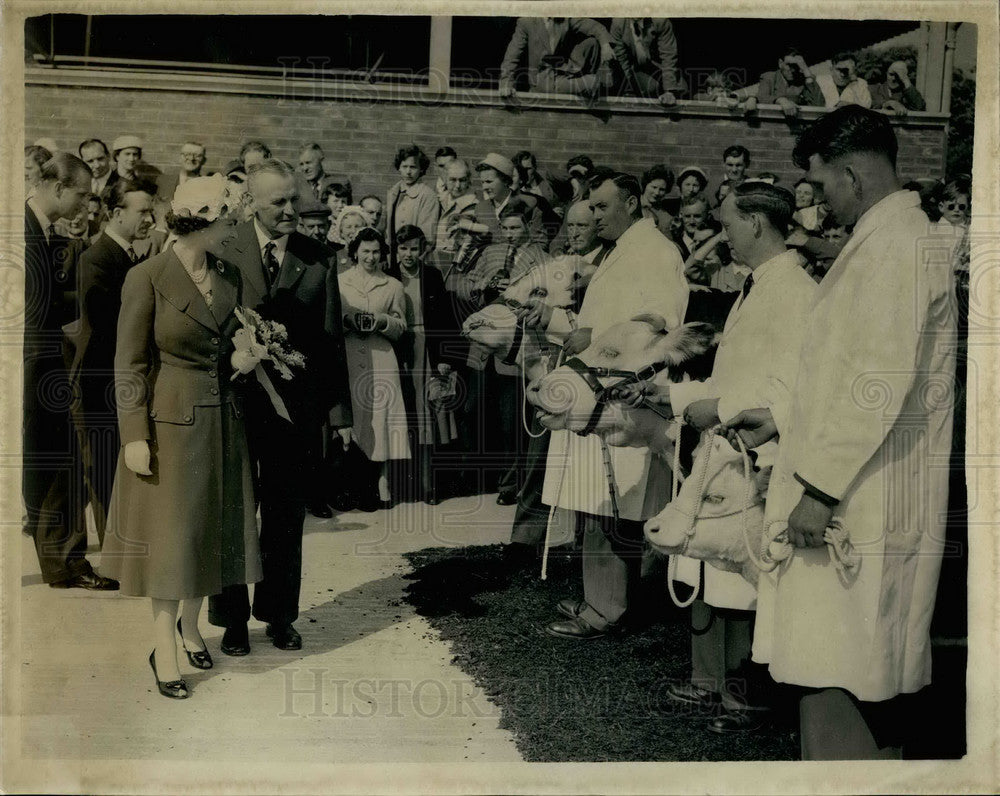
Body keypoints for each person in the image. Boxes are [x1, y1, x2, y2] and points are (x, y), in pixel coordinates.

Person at [722, 105, 956, 759]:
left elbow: (875, 384)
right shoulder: (884, 242)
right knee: (833, 662)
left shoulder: (899, 245)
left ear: (852, 173)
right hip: (852, 484)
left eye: (820, 187)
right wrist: (782, 419)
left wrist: (820, 491)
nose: (816, 205)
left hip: (860, 497)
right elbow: (845, 372)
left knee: (837, 663)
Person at [645, 182, 818, 733]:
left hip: (756, 449)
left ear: (756, 223)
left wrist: (719, 407)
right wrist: (677, 399)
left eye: (727, 223)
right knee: (712, 562)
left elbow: (789, 383)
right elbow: (735, 372)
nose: (722, 235)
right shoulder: (759, 285)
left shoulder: (792, 290)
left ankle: (747, 695)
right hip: (728, 441)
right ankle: (716, 683)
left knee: (744, 570)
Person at [100, 175, 260, 699]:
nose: (234, 229)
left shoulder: (230, 275)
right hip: (170, 427)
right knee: (173, 544)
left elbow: (226, 348)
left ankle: (191, 627)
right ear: (200, 222)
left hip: (224, 424)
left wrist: (241, 360)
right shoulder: (147, 276)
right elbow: (129, 362)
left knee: (213, 534)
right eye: (227, 221)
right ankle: (163, 647)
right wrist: (133, 435)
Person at [208, 159, 353, 655]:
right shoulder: (223, 248)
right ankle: (230, 620)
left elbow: (332, 343)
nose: (291, 209)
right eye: (279, 202)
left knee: (286, 515)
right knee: (233, 513)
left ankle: (280, 615)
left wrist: (339, 416)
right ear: (251, 201)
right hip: (235, 404)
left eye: (294, 199)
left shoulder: (318, 259)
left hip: (295, 412)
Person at [540, 172, 688, 639]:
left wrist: (599, 339)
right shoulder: (619, 250)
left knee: (612, 498)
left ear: (632, 201)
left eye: (603, 207)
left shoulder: (658, 252)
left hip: (623, 393)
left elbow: (659, 321)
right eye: (592, 207)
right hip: (596, 385)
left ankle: (608, 608)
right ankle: (598, 596)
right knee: (595, 496)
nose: (594, 215)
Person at [23, 152, 119, 591]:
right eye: (80, 194)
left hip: (45, 368)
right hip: (29, 369)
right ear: (58, 188)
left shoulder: (48, 233)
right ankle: (64, 561)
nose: (85, 204)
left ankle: (64, 564)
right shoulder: (19, 228)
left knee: (57, 465)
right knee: (45, 466)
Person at [510, 200, 612, 554]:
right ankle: (525, 537)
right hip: (556, 362)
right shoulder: (557, 264)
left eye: (582, 226)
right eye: (569, 226)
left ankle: (581, 541)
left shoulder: (609, 264)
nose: (574, 233)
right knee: (541, 449)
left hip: (595, 372)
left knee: (588, 456)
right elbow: (516, 294)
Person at [66, 179, 156, 544]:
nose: (150, 218)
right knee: (103, 472)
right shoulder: (97, 260)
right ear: (116, 214)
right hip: (99, 386)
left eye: (152, 210)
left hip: (117, 384)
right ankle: (114, 558)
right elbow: (96, 335)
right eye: (142, 212)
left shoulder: (129, 256)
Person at [461, 200, 548, 505]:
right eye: (505, 228)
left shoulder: (541, 259)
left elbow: (544, 299)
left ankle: (512, 485)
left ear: (528, 228)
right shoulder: (489, 253)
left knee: (513, 420)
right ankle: (491, 476)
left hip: (515, 349)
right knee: (475, 411)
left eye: (516, 228)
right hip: (484, 349)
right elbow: (462, 287)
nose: (510, 234)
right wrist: (481, 284)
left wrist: (515, 291)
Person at [339, 228, 411, 509]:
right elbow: (332, 317)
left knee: (380, 420)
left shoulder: (392, 285)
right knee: (354, 423)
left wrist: (382, 321)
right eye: (365, 251)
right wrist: (349, 320)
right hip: (349, 356)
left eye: (376, 252)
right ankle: (351, 487)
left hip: (381, 358)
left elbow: (401, 325)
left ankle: (382, 486)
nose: (371, 257)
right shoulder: (340, 281)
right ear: (355, 251)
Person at [390, 225, 458, 504]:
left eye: (414, 248)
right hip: (397, 351)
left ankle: (429, 486)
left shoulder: (431, 275)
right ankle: (402, 487)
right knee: (400, 417)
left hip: (426, 352)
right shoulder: (389, 275)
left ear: (423, 249)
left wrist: (444, 358)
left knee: (427, 419)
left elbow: (444, 319)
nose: (408, 254)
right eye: (403, 248)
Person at [499, 17, 614, 99]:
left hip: (563, 71)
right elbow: (512, 55)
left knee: (592, 43)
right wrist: (506, 83)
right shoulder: (526, 22)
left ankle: (587, 89)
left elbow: (595, 27)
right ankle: (590, 90)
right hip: (543, 81)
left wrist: (605, 45)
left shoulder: (565, 18)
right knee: (594, 82)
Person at [386, 144, 440, 270]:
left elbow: (427, 238)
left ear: (421, 169)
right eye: (404, 167)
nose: (408, 171)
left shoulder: (427, 195)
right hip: (393, 259)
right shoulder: (393, 193)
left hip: (413, 261)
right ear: (399, 168)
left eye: (413, 167)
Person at [608, 18, 686, 104]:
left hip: (655, 66)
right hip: (634, 69)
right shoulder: (618, 22)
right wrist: (628, 87)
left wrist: (669, 91)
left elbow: (668, 56)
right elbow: (621, 59)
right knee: (651, 87)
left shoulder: (661, 21)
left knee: (682, 88)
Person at [742, 48, 825, 117]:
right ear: (780, 63)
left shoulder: (802, 82)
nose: (793, 70)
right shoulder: (769, 77)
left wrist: (806, 71)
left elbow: (819, 106)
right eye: (789, 65)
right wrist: (781, 100)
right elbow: (762, 97)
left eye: (796, 66)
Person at [329, 205, 372, 271]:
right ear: (341, 232)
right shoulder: (335, 258)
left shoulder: (373, 257)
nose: (353, 231)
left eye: (357, 226)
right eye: (348, 227)